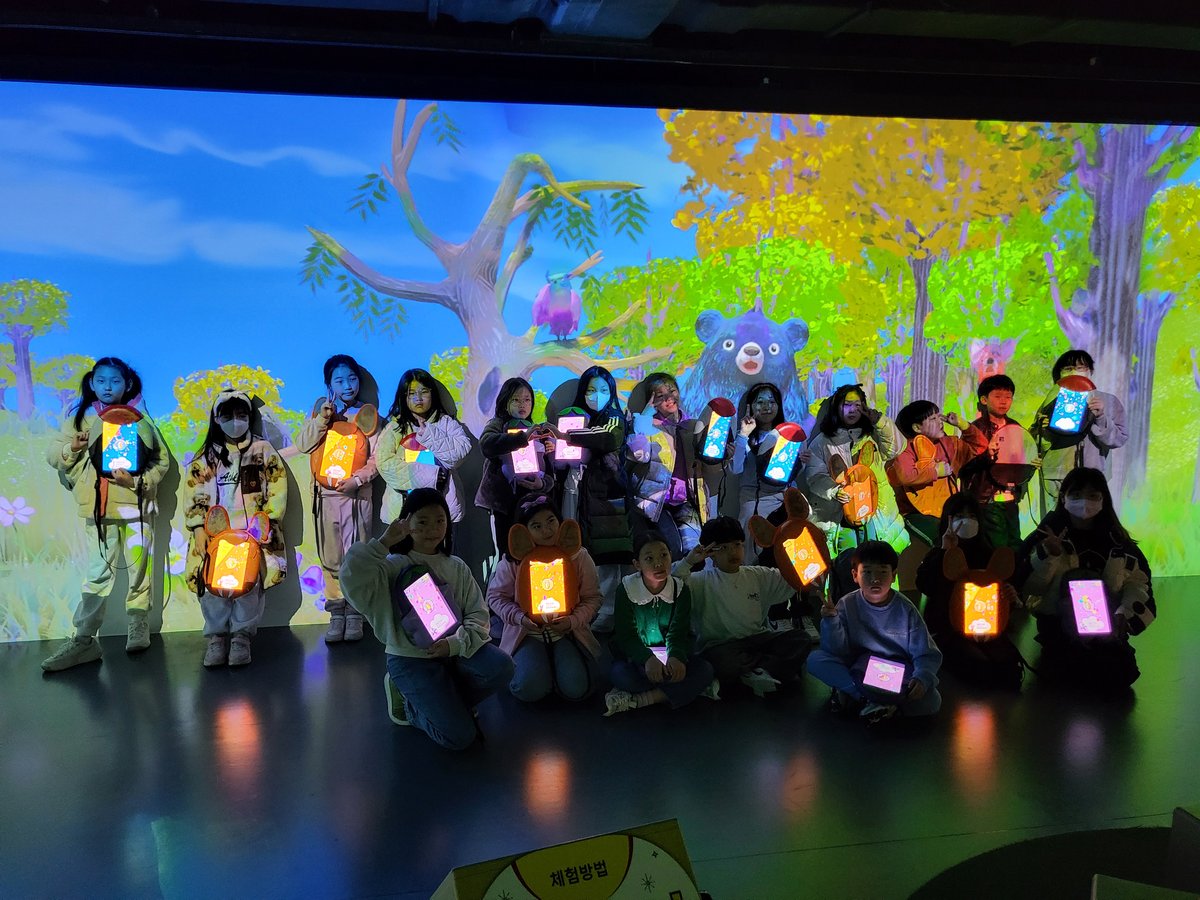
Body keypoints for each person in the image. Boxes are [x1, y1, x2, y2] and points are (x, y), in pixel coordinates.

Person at [340, 488, 514, 750]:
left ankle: (446, 704)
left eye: (440, 521)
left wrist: (454, 645)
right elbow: (352, 576)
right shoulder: (391, 565)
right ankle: (411, 706)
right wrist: (383, 543)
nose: (432, 529)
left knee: (502, 667)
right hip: (410, 659)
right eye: (422, 522)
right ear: (406, 522)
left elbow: (478, 614)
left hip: (454, 652)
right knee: (460, 738)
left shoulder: (456, 566)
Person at [42, 357, 171, 672]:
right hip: (98, 508)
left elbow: (161, 461)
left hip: (136, 507)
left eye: (115, 381)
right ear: (91, 383)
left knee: (140, 568)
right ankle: (84, 638)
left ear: (127, 384)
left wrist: (137, 482)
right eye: (101, 381)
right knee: (97, 572)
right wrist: (73, 448)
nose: (107, 387)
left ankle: (138, 624)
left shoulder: (139, 417)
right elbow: (53, 455)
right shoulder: (82, 418)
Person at [1016, 467, 1152, 691]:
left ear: (1103, 499)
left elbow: (1138, 583)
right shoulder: (1047, 535)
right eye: (1076, 494)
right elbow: (1030, 587)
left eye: (1092, 495)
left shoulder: (1118, 542)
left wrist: (1124, 614)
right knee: (1070, 674)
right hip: (1058, 626)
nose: (1084, 502)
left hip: (1106, 627)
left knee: (1119, 670)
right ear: (1064, 497)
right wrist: (1049, 555)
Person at [184, 390, 289, 667]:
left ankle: (242, 638)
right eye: (228, 416)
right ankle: (216, 638)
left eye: (242, 415)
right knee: (213, 591)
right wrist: (198, 528)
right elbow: (194, 492)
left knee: (248, 590)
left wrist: (267, 522)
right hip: (216, 539)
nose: (235, 421)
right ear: (216, 419)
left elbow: (277, 487)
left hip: (251, 537)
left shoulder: (263, 450)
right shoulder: (206, 456)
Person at [807, 540, 943, 723]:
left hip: (895, 674)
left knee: (932, 701)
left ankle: (859, 699)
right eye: (867, 572)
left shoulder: (906, 609)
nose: (875, 579)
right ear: (855, 575)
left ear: (893, 575)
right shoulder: (846, 604)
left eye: (882, 572)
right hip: (859, 669)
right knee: (815, 660)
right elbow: (836, 650)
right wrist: (831, 619)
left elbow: (926, 653)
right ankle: (870, 701)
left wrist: (922, 678)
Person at [675, 516, 811, 696]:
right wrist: (689, 561)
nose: (733, 552)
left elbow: (791, 579)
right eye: (724, 547)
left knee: (801, 639)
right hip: (722, 646)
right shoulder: (700, 581)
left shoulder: (757, 575)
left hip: (758, 639)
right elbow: (673, 586)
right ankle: (763, 671)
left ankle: (752, 673)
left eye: (737, 544)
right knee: (719, 661)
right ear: (711, 553)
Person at [486, 496, 604, 702]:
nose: (546, 530)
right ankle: (539, 671)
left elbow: (593, 597)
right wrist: (519, 617)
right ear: (524, 530)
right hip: (527, 634)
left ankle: (557, 672)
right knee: (528, 688)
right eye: (536, 526)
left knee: (577, 687)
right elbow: (495, 597)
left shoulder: (578, 556)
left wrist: (573, 621)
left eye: (551, 521)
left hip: (568, 633)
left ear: (560, 521)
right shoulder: (513, 560)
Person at [296, 354, 379, 644]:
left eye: (352, 379)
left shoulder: (367, 415)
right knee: (330, 556)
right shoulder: (320, 412)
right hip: (325, 498)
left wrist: (358, 480)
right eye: (339, 380)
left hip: (356, 498)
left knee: (356, 555)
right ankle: (336, 613)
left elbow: (376, 458)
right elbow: (303, 445)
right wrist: (322, 419)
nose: (347, 386)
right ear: (329, 384)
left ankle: (355, 612)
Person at [547, 366, 632, 631]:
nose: (597, 395)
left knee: (607, 558)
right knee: (574, 550)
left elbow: (608, 438)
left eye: (604, 390)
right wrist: (554, 447)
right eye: (591, 390)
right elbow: (561, 461)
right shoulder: (572, 417)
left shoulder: (614, 419)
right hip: (574, 491)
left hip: (604, 499)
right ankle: (576, 612)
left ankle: (606, 619)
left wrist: (567, 436)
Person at [915, 493, 1025, 690]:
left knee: (1009, 666)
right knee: (978, 667)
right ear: (948, 520)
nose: (966, 521)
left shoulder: (988, 554)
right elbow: (925, 585)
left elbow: (1005, 591)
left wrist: (1010, 596)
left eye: (972, 516)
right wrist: (944, 551)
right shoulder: (938, 553)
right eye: (959, 516)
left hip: (987, 626)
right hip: (949, 628)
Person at [605, 531, 716, 716]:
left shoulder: (680, 590)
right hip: (639, 658)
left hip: (669, 655)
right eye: (649, 559)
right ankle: (681, 691)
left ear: (671, 556)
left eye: (664, 555)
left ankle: (644, 699)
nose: (658, 563)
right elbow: (626, 635)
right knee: (621, 675)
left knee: (705, 670)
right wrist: (647, 659)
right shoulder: (626, 590)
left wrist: (676, 657)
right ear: (637, 564)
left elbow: (679, 632)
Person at [626, 373, 722, 561]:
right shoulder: (647, 425)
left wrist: (724, 453)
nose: (669, 398)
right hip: (657, 503)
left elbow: (711, 467)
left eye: (672, 391)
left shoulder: (693, 426)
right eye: (660, 395)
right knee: (672, 551)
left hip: (687, 500)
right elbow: (637, 454)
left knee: (695, 554)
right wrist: (644, 418)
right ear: (651, 401)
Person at [376, 368, 472, 548]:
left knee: (441, 559)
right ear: (403, 397)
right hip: (402, 511)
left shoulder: (446, 423)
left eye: (424, 392)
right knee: (403, 560)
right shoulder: (395, 427)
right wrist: (430, 476)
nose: (418, 398)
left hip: (442, 507)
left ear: (432, 394)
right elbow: (384, 463)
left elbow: (460, 453)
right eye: (411, 393)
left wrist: (429, 434)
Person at [805, 384, 904, 553]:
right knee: (847, 559)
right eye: (846, 405)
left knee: (875, 557)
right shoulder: (822, 442)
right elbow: (815, 476)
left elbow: (895, 449)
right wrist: (835, 491)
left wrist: (880, 422)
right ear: (836, 408)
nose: (852, 410)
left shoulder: (873, 435)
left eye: (857, 405)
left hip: (876, 514)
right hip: (840, 517)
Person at [1030, 350, 1128, 512]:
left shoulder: (1108, 401)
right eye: (1068, 369)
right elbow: (1033, 442)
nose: (1074, 372)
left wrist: (1100, 417)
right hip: (1056, 476)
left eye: (1081, 368)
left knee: (1090, 522)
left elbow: (1119, 439)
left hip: (1092, 475)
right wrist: (1044, 430)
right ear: (1059, 375)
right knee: (1056, 523)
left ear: (1090, 371)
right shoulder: (1051, 400)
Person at [886, 400, 986, 547]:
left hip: (947, 511)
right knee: (938, 542)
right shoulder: (905, 447)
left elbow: (980, 446)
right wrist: (935, 471)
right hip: (916, 514)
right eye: (933, 419)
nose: (940, 421)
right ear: (917, 427)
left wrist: (963, 424)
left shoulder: (949, 444)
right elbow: (905, 475)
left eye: (939, 416)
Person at [474, 377, 554, 560]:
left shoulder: (536, 430)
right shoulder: (497, 424)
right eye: (516, 399)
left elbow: (549, 474)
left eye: (527, 400)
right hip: (504, 505)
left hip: (531, 504)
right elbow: (486, 444)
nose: (522, 404)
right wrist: (522, 438)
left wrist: (542, 483)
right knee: (508, 552)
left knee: (532, 553)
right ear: (505, 402)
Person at [731, 382, 810, 555]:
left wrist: (802, 462)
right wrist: (743, 435)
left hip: (785, 499)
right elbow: (735, 469)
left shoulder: (789, 434)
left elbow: (792, 474)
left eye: (772, 402)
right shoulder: (745, 438)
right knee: (757, 551)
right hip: (755, 500)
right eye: (760, 402)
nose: (767, 407)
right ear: (751, 406)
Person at [959, 374, 1026, 550]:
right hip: (985, 498)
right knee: (996, 546)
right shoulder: (975, 430)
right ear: (984, 400)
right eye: (997, 396)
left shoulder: (1016, 427)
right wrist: (986, 456)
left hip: (1010, 497)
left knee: (1014, 542)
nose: (1004, 401)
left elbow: (1020, 458)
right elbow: (963, 466)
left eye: (1008, 397)